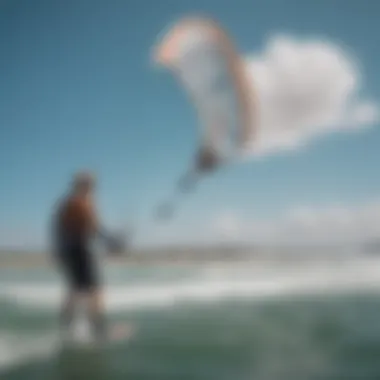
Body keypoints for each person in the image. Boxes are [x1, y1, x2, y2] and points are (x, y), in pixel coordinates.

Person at [51, 171, 107, 343]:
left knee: (74, 291)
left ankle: (65, 329)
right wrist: (113, 240)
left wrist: (60, 253)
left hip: (69, 251)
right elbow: (95, 227)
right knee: (95, 291)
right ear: (84, 185)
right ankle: (99, 332)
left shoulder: (66, 204)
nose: (93, 188)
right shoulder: (82, 202)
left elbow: (57, 230)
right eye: (91, 184)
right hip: (80, 250)